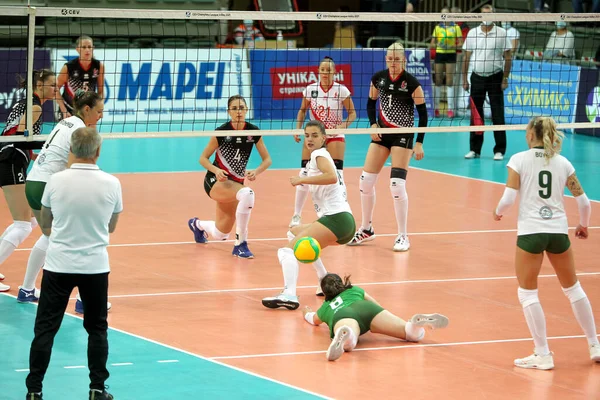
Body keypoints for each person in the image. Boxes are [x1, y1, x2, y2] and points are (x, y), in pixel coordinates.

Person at [493, 116, 600, 369]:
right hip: (558, 233)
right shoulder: (563, 162)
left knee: (527, 293)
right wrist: (583, 225)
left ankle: (543, 354)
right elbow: (584, 202)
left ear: (531, 135)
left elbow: (509, 198)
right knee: (573, 288)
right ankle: (595, 344)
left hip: (531, 233)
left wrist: (498, 212)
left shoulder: (518, 160)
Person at [25, 127, 122, 400]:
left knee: (45, 328)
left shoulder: (55, 181)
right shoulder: (112, 183)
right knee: (97, 329)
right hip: (94, 266)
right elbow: (111, 226)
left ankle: (34, 391)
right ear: (98, 151)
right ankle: (97, 389)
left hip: (58, 265)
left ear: (71, 151)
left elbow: (45, 223)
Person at [17, 91, 105, 313]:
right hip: (49, 186)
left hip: (34, 182)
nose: (101, 116)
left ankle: (26, 289)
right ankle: (85, 300)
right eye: (98, 111)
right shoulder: (79, 130)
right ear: (87, 110)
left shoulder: (65, 122)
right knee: (74, 238)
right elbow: (73, 163)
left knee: (50, 236)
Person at [262, 120, 355, 309]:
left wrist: (302, 179)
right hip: (344, 222)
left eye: (314, 135)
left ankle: (289, 295)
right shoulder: (318, 156)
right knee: (294, 232)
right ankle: (324, 281)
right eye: (307, 135)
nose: (310, 139)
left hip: (336, 220)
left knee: (286, 250)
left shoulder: (320, 154)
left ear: (324, 138)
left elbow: (331, 177)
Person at [347, 42, 428, 252]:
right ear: (386, 60)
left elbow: (423, 114)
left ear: (404, 60)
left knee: (396, 185)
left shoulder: (412, 83)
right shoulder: (378, 78)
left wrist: (419, 142)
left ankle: (403, 235)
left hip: (403, 134)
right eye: (390, 59)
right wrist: (373, 124)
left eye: (397, 59)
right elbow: (370, 103)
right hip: (382, 133)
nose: (393, 63)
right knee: (365, 181)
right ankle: (366, 229)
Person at [188, 95, 271, 259]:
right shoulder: (222, 132)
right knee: (248, 194)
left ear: (246, 110)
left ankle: (197, 225)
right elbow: (203, 158)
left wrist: (256, 171)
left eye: (241, 108)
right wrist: (216, 170)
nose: (238, 112)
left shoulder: (253, 132)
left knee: (221, 233)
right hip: (216, 181)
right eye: (234, 108)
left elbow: (267, 160)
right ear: (228, 112)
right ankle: (241, 245)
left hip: (236, 184)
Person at [302, 273, 449, 361]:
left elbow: (313, 319)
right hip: (367, 308)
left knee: (350, 341)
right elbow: (376, 304)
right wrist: (382, 319)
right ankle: (415, 325)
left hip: (344, 315)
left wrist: (306, 311)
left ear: (324, 292)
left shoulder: (325, 307)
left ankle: (346, 334)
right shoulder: (353, 290)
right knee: (411, 334)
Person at [0, 69, 56, 292]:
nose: (55, 89)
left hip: (11, 159)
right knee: (23, 224)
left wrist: (32, 152)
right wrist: (49, 144)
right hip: (11, 161)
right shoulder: (35, 106)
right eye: (52, 85)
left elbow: (15, 135)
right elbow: (19, 137)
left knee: (29, 220)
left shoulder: (25, 102)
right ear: (39, 85)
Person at [289, 56, 356, 228]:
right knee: (304, 174)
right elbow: (302, 110)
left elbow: (353, 114)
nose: (325, 73)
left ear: (334, 72)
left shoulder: (341, 90)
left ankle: (339, 210)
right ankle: (296, 215)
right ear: (318, 71)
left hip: (334, 136)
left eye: (329, 70)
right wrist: (298, 128)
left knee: (338, 176)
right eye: (322, 70)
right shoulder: (310, 89)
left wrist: (342, 126)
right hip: (314, 136)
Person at [462, 5, 512, 161]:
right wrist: (464, 79)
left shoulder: (502, 33)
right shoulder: (472, 33)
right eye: (484, 13)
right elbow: (466, 57)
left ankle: (499, 150)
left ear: (494, 15)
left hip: (495, 77)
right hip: (476, 77)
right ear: (480, 15)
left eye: (489, 14)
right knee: (476, 116)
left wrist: (505, 78)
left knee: (498, 115)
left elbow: (508, 57)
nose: (486, 16)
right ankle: (474, 149)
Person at [55, 36, 104, 119]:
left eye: (89, 47)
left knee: (89, 132)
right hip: (69, 109)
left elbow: (100, 91)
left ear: (93, 48)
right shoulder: (69, 67)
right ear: (77, 49)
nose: (87, 50)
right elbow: (55, 89)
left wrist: (99, 108)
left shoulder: (98, 66)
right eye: (84, 47)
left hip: (87, 110)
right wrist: (64, 110)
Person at [430, 7, 463, 118]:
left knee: (449, 80)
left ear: (450, 15)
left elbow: (461, 44)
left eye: (446, 14)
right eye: (442, 14)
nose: (444, 16)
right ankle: (436, 109)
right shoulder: (437, 28)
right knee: (438, 80)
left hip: (451, 54)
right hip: (440, 54)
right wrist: (439, 45)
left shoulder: (456, 27)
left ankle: (450, 109)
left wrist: (451, 46)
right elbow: (432, 44)